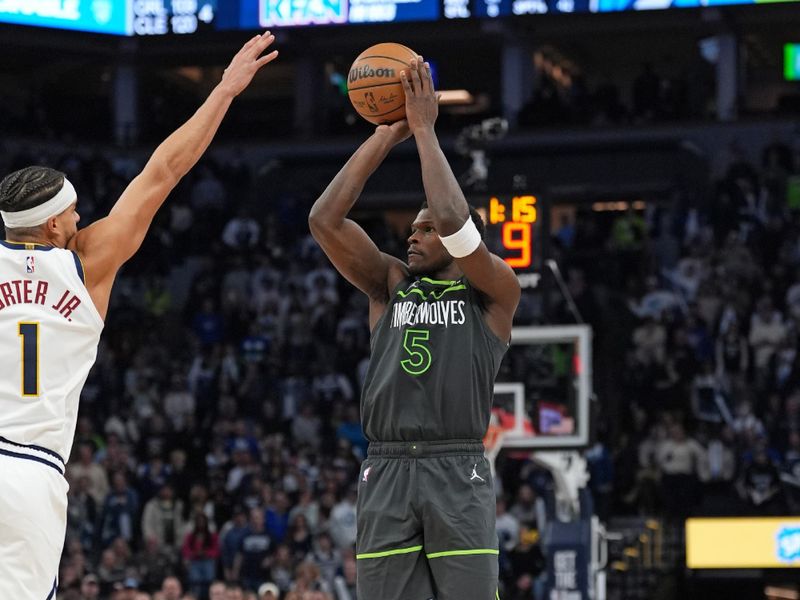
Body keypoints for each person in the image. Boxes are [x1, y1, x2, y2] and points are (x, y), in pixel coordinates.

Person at [0, 31, 279, 600]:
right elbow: (163, 170)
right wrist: (223, 92)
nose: (81, 218)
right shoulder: (88, 263)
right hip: (30, 471)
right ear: (54, 225)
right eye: (75, 212)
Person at [309, 56, 520, 600]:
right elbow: (324, 220)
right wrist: (386, 136)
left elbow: (452, 219)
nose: (414, 235)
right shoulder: (389, 283)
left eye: (424, 230)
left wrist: (426, 130)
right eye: (412, 228)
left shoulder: (493, 291)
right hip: (387, 466)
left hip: (458, 465)